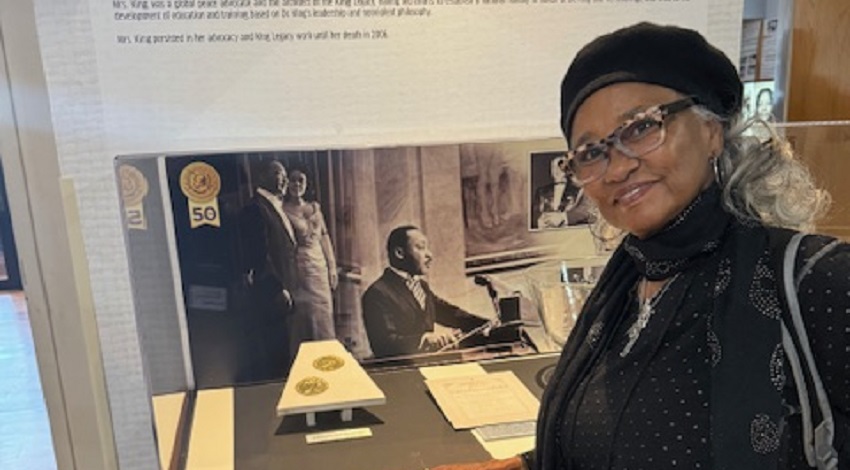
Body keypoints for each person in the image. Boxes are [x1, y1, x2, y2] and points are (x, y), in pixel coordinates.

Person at [435, 22, 848, 470]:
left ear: (712, 130)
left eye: (639, 129)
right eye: (591, 152)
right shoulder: (627, 284)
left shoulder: (816, 278)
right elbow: (613, 438)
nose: (615, 169)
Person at [362, 225, 488, 358]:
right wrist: (424, 339)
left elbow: (450, 313)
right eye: (421, 248)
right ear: (399, 253)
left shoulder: (421, 286)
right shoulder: (377, 293)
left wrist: (487, 325)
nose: (429, 255)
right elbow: (383, 344)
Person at [238, 159, 301, 380]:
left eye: (284, 174)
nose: (284, 179)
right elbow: (259, 256)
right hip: (270, 294)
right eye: (278, 173)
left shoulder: (272, 206)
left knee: (284, 352)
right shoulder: (255, 209)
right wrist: (278, 288)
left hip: (283, 292)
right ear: (262, 176)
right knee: (275, 356)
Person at [282, 168, 338, 340]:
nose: (296, 184)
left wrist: (332, 267)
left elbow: (324, 237)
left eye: (301, 180)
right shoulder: (283, 210)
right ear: (287, 182)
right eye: (293, 180)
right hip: (300, 265)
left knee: (324, 311)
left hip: (319, 265)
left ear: (307, 184)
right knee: (305, 314)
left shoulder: (314, 207)